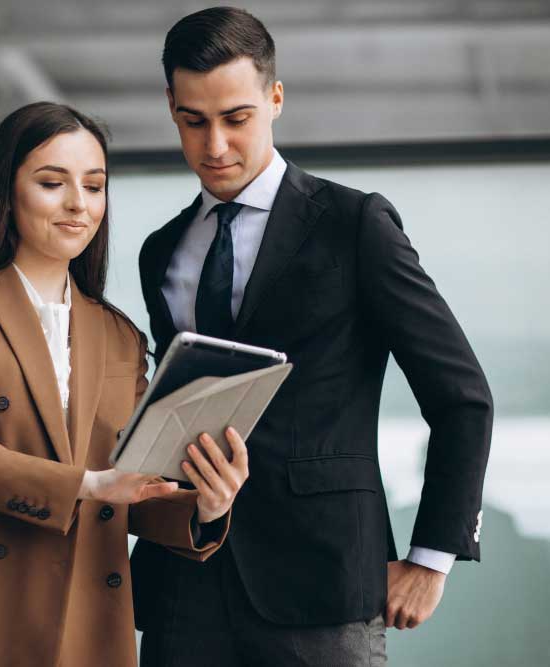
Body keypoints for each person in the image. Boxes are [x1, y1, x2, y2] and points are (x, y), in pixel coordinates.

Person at [131, 7, 493, 666]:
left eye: (235, 118)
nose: (214, 145)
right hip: (183, 583)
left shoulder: (356, 225)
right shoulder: (161, 252)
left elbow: (462, 396)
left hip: (321, 586)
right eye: (193, 120)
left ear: (275, 98)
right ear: (170, 107)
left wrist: (431, 557)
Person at [0, 101, 249, 667]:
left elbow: (131, 490)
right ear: (6, 191)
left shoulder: (118, 335)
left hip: (80, 613)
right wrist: (87, 485)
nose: (77, 205)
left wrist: (207, 506)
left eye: (94, 187)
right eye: (51, 183)